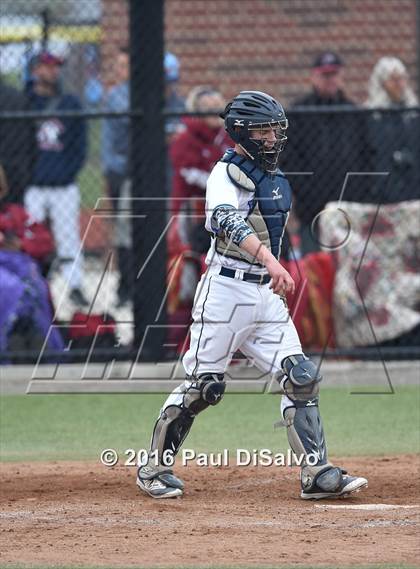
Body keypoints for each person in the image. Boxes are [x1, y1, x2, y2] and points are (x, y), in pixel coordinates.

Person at [137, 91, 368, 500]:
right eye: (263, 131)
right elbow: (226, 221)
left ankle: (316, 474)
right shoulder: (225, 174)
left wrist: (274, 267)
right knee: (204, 387)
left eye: (275, 130)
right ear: (241, 132)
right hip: (224, 291)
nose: (272, 138)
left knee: (300, 377)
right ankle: (153, 467)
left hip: (263, 295)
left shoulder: (276, 178)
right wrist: (273, 261)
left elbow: (273, 229)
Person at [283, 52, 367, 255]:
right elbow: (289, 160)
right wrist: (308, 193)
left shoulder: (353, 113)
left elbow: (366, 156)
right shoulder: (299, 113)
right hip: (312, 209)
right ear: (313, 77)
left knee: (350, 263)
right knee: (315, 268)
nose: (330, 80)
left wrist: (357, 192)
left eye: (334, 74)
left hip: (349, 205)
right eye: (325, 75)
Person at [167, 86, 230, 354]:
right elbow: (194, 178)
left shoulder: (230, 138)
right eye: (207, 106)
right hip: (194, 217)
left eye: (217, 106)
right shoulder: (185, 140)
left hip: (229, 215)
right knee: (190, 277)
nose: (213, 112)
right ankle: (184, 340)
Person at [24, 51, 88, 307]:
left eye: (56, 67)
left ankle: (74, 285)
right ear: (36, 70)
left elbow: (79, 147)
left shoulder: (70, 103)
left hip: (63, 185)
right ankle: (33, 280)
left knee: (68, 237)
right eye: (48, 67)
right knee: (31, 234)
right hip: (33, 185)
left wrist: (67, 172)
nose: (54, 72)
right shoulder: (25, 101)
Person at [0, 164, 64, 359]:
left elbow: (44, 241)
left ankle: (36, 339)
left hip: (21, 270)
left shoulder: (16, 214)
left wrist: (21, 244)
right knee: (10, 288)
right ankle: (10, 338)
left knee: (33, 285)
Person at [365, 56, 419, 203]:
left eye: (402, 79)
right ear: (382, 83)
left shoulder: (412, 114)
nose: (400, 85)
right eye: (394, 80)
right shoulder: (372, 116)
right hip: (383, 189)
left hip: (413, 187)